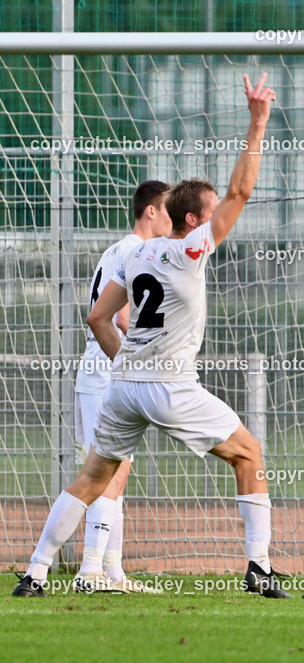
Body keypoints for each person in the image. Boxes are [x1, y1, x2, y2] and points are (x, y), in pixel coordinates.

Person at [14, 73, 289, 598]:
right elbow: (242, 190)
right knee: (250, 454)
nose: (221, 221)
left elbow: (98, 318)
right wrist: (257, 125)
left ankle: (35, 573)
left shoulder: (135, 252)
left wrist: (124, 366)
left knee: (91, 478)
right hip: (168, 383)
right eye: (212, 215)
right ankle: (260, 569)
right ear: (195, 220)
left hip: (123, 385)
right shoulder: (189, 250)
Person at [73, 180, 171, 593]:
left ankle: (112, 572)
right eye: (168, 209)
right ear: (150, 211)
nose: (172, 218)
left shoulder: (118, 248)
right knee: (107, 472)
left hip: (105, 369)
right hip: (106, 368)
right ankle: (88, 570)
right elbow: (123, 319)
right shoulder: (135, 251)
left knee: (116, 472)